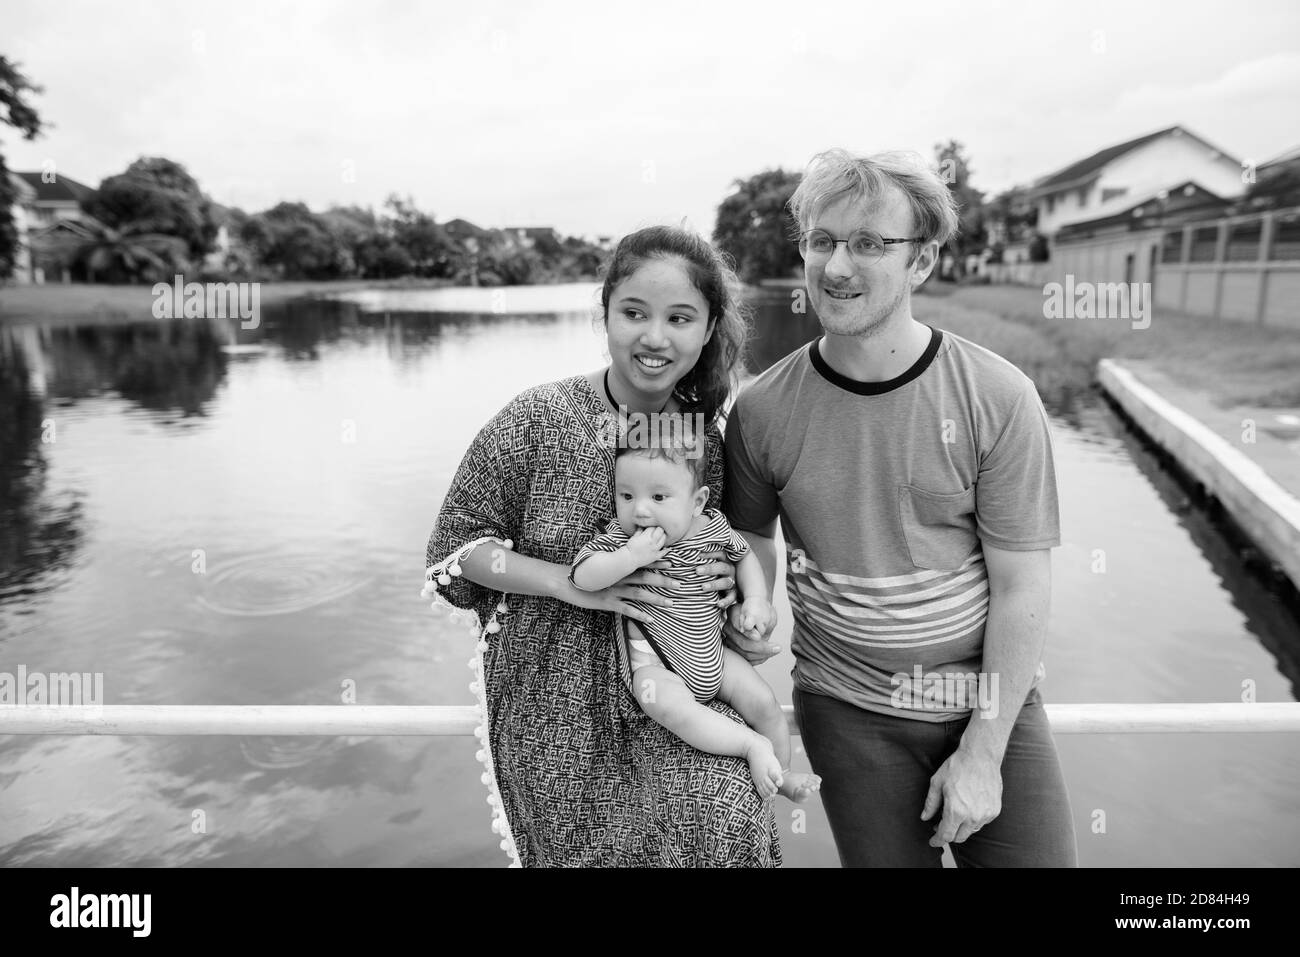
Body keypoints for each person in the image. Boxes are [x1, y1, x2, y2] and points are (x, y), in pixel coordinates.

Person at [722, 148, 1078, 867]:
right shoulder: (760, 410)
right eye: (821, 241)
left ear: (922, 262)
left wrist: (983, 748)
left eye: (869, 243)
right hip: (847, 710)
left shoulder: (998, 396)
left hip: (987, 703)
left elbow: (1022, 586)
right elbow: (751, 540)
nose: (837, 266)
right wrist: (748, 613)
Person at [424, 225, 781, 867]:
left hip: (678, 682)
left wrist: (736, 595)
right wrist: (574, 584)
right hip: (553, 692)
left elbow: (720, 548)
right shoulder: (538, 417)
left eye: (680, 318)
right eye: (634, 313)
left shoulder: (702, 438)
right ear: (605, 314)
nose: (654, 337)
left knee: (727, 818)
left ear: (707, 329)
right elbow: (457, 550)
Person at [569, 425, 820, 803]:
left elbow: (745, 555)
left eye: (658, 496)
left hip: (712, 655)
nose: (640, 510)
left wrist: (755, 599)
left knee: (765, 703)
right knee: (667, 706)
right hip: (656, 664)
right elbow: (582, 576)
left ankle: (781, 773)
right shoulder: (622, 540)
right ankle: (749, 745)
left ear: (697, 502)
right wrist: (629, 558)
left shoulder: (712, 527)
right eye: (626, 495)